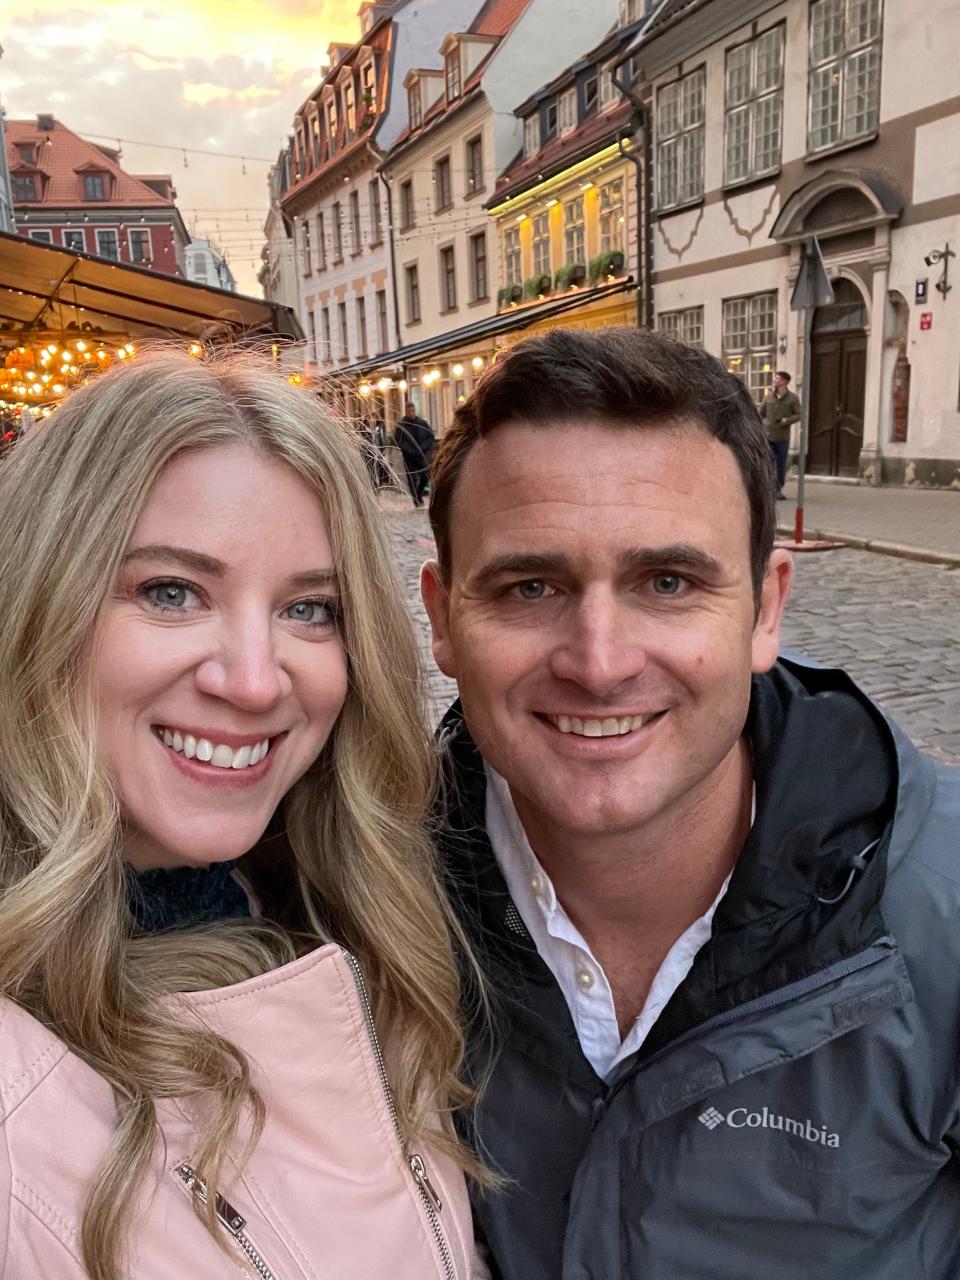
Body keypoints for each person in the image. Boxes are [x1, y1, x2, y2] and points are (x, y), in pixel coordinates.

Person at [420, 327, 960, 1280]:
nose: (599, 660)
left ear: (765, 607)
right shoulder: (355, 903)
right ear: (441, 618)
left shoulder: (941, 915)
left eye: (667, 583)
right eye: (530, 585)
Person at [0, 348, 486, 1280]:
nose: (257, 682)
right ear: (37, 605)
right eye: (170, 593)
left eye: (310, 609)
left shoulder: (350, 926)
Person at [760, 369, 801, 498]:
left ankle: (778, 489)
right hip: (768, 435)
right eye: (775, 378)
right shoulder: (768, 397)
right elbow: (761, 414)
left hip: (782, 437)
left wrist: (786, 420)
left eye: (777, 378)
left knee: (781, 465)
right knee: (771, 462)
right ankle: (769, 489)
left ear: (785, 382)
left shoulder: (793, 398)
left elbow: (799, 415)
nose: (774, 380)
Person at [395, 400, 436, 507]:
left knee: (425, 477)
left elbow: (430, 437)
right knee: (412, 480)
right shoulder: (401, 426)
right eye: (409, 411)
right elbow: (398, 441)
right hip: (408, 457)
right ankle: (416, 501)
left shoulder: (422, 423)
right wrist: (409, 450)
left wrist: (423, 448)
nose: (411, 413)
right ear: (406, 412)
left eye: (412, 411)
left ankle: (419, 494)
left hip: (420, 455)